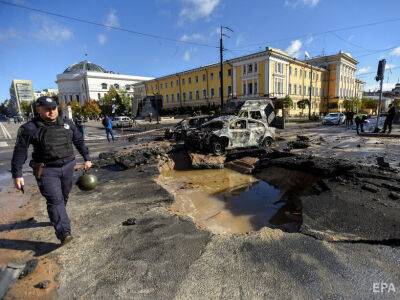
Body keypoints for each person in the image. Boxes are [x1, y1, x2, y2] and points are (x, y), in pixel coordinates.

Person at [11, 96, 92, 245]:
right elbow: (20, 151)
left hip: (68, 166)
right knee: (55, 200)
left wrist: (87, 158)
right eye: (47, 109)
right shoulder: (29, 128)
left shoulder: (67, 123)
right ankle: (64, 232)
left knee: (63, 197)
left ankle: (58, 217)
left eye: (54, 108)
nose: (52, 112)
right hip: (46, 170)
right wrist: (17, 174)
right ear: (38, 110)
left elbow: (79, 141)